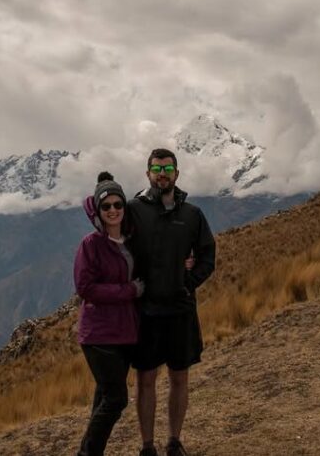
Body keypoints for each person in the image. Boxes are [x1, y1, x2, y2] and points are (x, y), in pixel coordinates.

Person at [128, 148, 216, 456]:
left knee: (180, 377)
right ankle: (147, 446)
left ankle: (174, 441)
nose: (162, 174)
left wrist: (187, 283)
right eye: (156, 169)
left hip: (180, 310)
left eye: (167, 169)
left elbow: (207, 256)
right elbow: (115, 244)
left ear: (176, 174)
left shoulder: (192, 214)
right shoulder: (133, 210)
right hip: (146, 311)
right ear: (148, 173)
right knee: (146, 379)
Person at [74, 172, 144, 456]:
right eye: (106, 206)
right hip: (98, 334)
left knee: (104, 395)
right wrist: (128, 291)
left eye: (118, 204)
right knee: (116, 399)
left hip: (125, 332)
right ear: (98, 210)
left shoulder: (131, 240)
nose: (113, 210)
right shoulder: (91, 244)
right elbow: (85, 288)